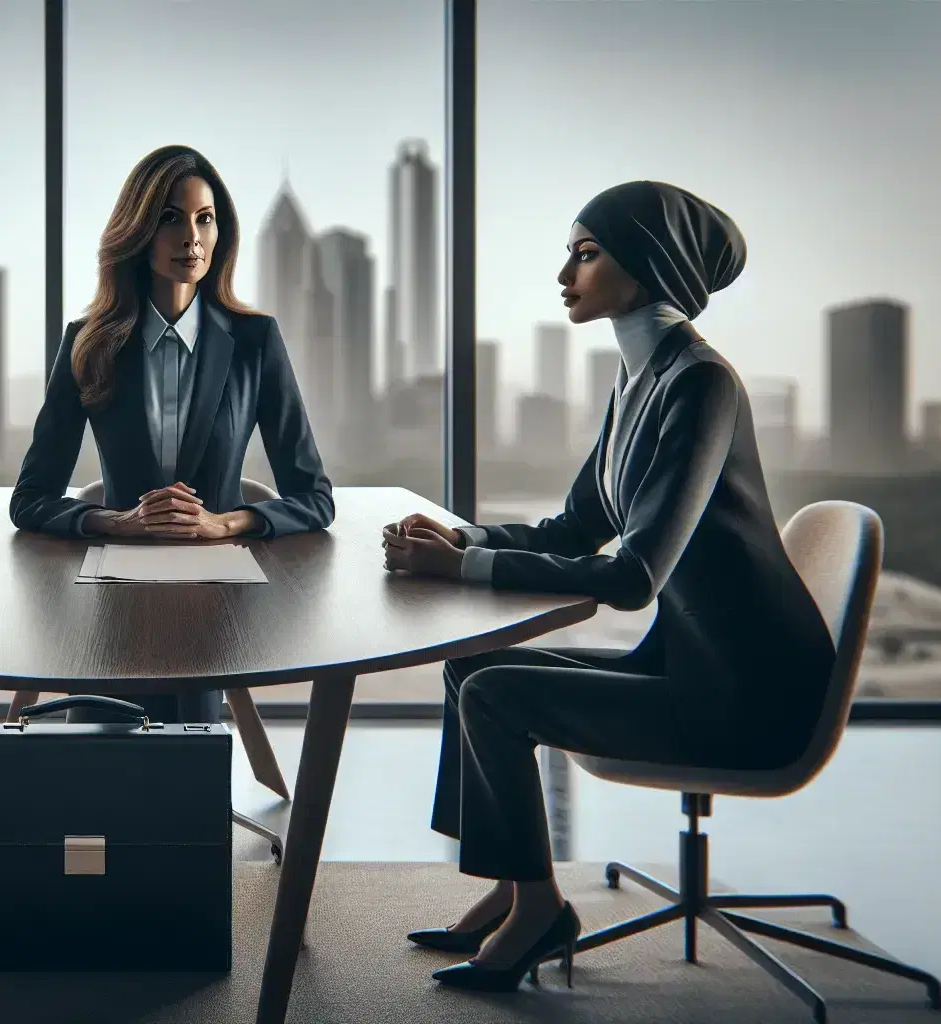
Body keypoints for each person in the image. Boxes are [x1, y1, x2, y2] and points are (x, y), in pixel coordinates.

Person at [383, 181, 835, 993]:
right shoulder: (638, 381)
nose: (566, 272)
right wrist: (465, 541)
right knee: (468, 673)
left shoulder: (702, 384)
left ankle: (540, 914)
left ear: (650, 264)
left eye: (586, 254)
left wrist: (462, 569)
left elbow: (633, 576)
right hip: (687, 663)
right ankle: (514, 883)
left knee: (494, 695)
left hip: (748, 698)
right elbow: (571, 529)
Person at [10, 144, 334, 723]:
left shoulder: (255, 341)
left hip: (217, 593)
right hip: (117, 585)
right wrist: (118, 522)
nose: (191, 237)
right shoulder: (89, 342)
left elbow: (315, 498)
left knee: (189, 737)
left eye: (204, 219)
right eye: (170, 218)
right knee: (110, 736)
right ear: (138, 231)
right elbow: (30, 499)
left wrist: (224, 523)